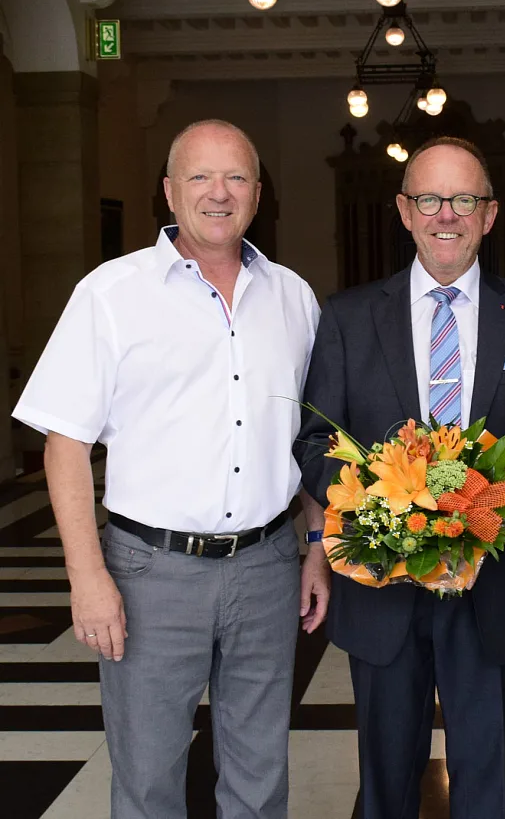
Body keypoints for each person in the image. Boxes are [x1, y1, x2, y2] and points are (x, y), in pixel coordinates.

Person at [12, 119, 329, 819]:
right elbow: (63, 442)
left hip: (269, 564)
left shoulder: (293, 297)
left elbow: (307, 437)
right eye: (200, 177)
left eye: (237, 177)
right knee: (149, 778)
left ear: (257, 191)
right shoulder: (111, 294)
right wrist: (86, 575)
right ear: (168, 191)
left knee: (260, 775)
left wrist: (314, 542)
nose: (220, 193)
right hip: (151, 574)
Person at [295, 136, 505, 819]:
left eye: (464, 199)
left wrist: (494, 491)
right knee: (386, 780)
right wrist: (382, 500)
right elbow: (313, 439)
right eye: (428, 198)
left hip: (494, 586)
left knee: (485, 778)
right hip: (382, 588)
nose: (445, 213)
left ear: (490, 214)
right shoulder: (348, 316)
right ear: (403, 210)